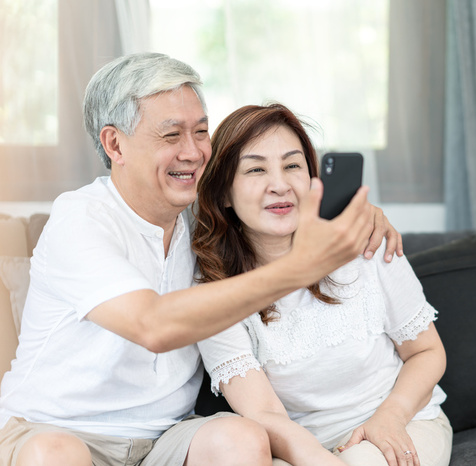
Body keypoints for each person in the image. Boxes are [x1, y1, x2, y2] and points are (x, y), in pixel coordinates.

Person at [0, 53, 402, 466]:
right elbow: (151, 324)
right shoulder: (80, 218)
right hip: (58, 429)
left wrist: (362, 217)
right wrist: (297, 269)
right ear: (114, 144)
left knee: (240, 438)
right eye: (171, 135)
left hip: (163, 439)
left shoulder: (202, 221)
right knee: (54, 454)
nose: (193, 152)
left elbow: (273, 214)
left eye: (201, 132)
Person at [193, 103, 453, 466]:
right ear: (223, 194)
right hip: (302, 448)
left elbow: (427, 352)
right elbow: (263, 411)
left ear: (313, 180)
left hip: (401, 423)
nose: (280, 185)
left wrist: (390, 416)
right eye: (255, 169)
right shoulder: (213, 291)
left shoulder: (365, 244)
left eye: (292, 165)